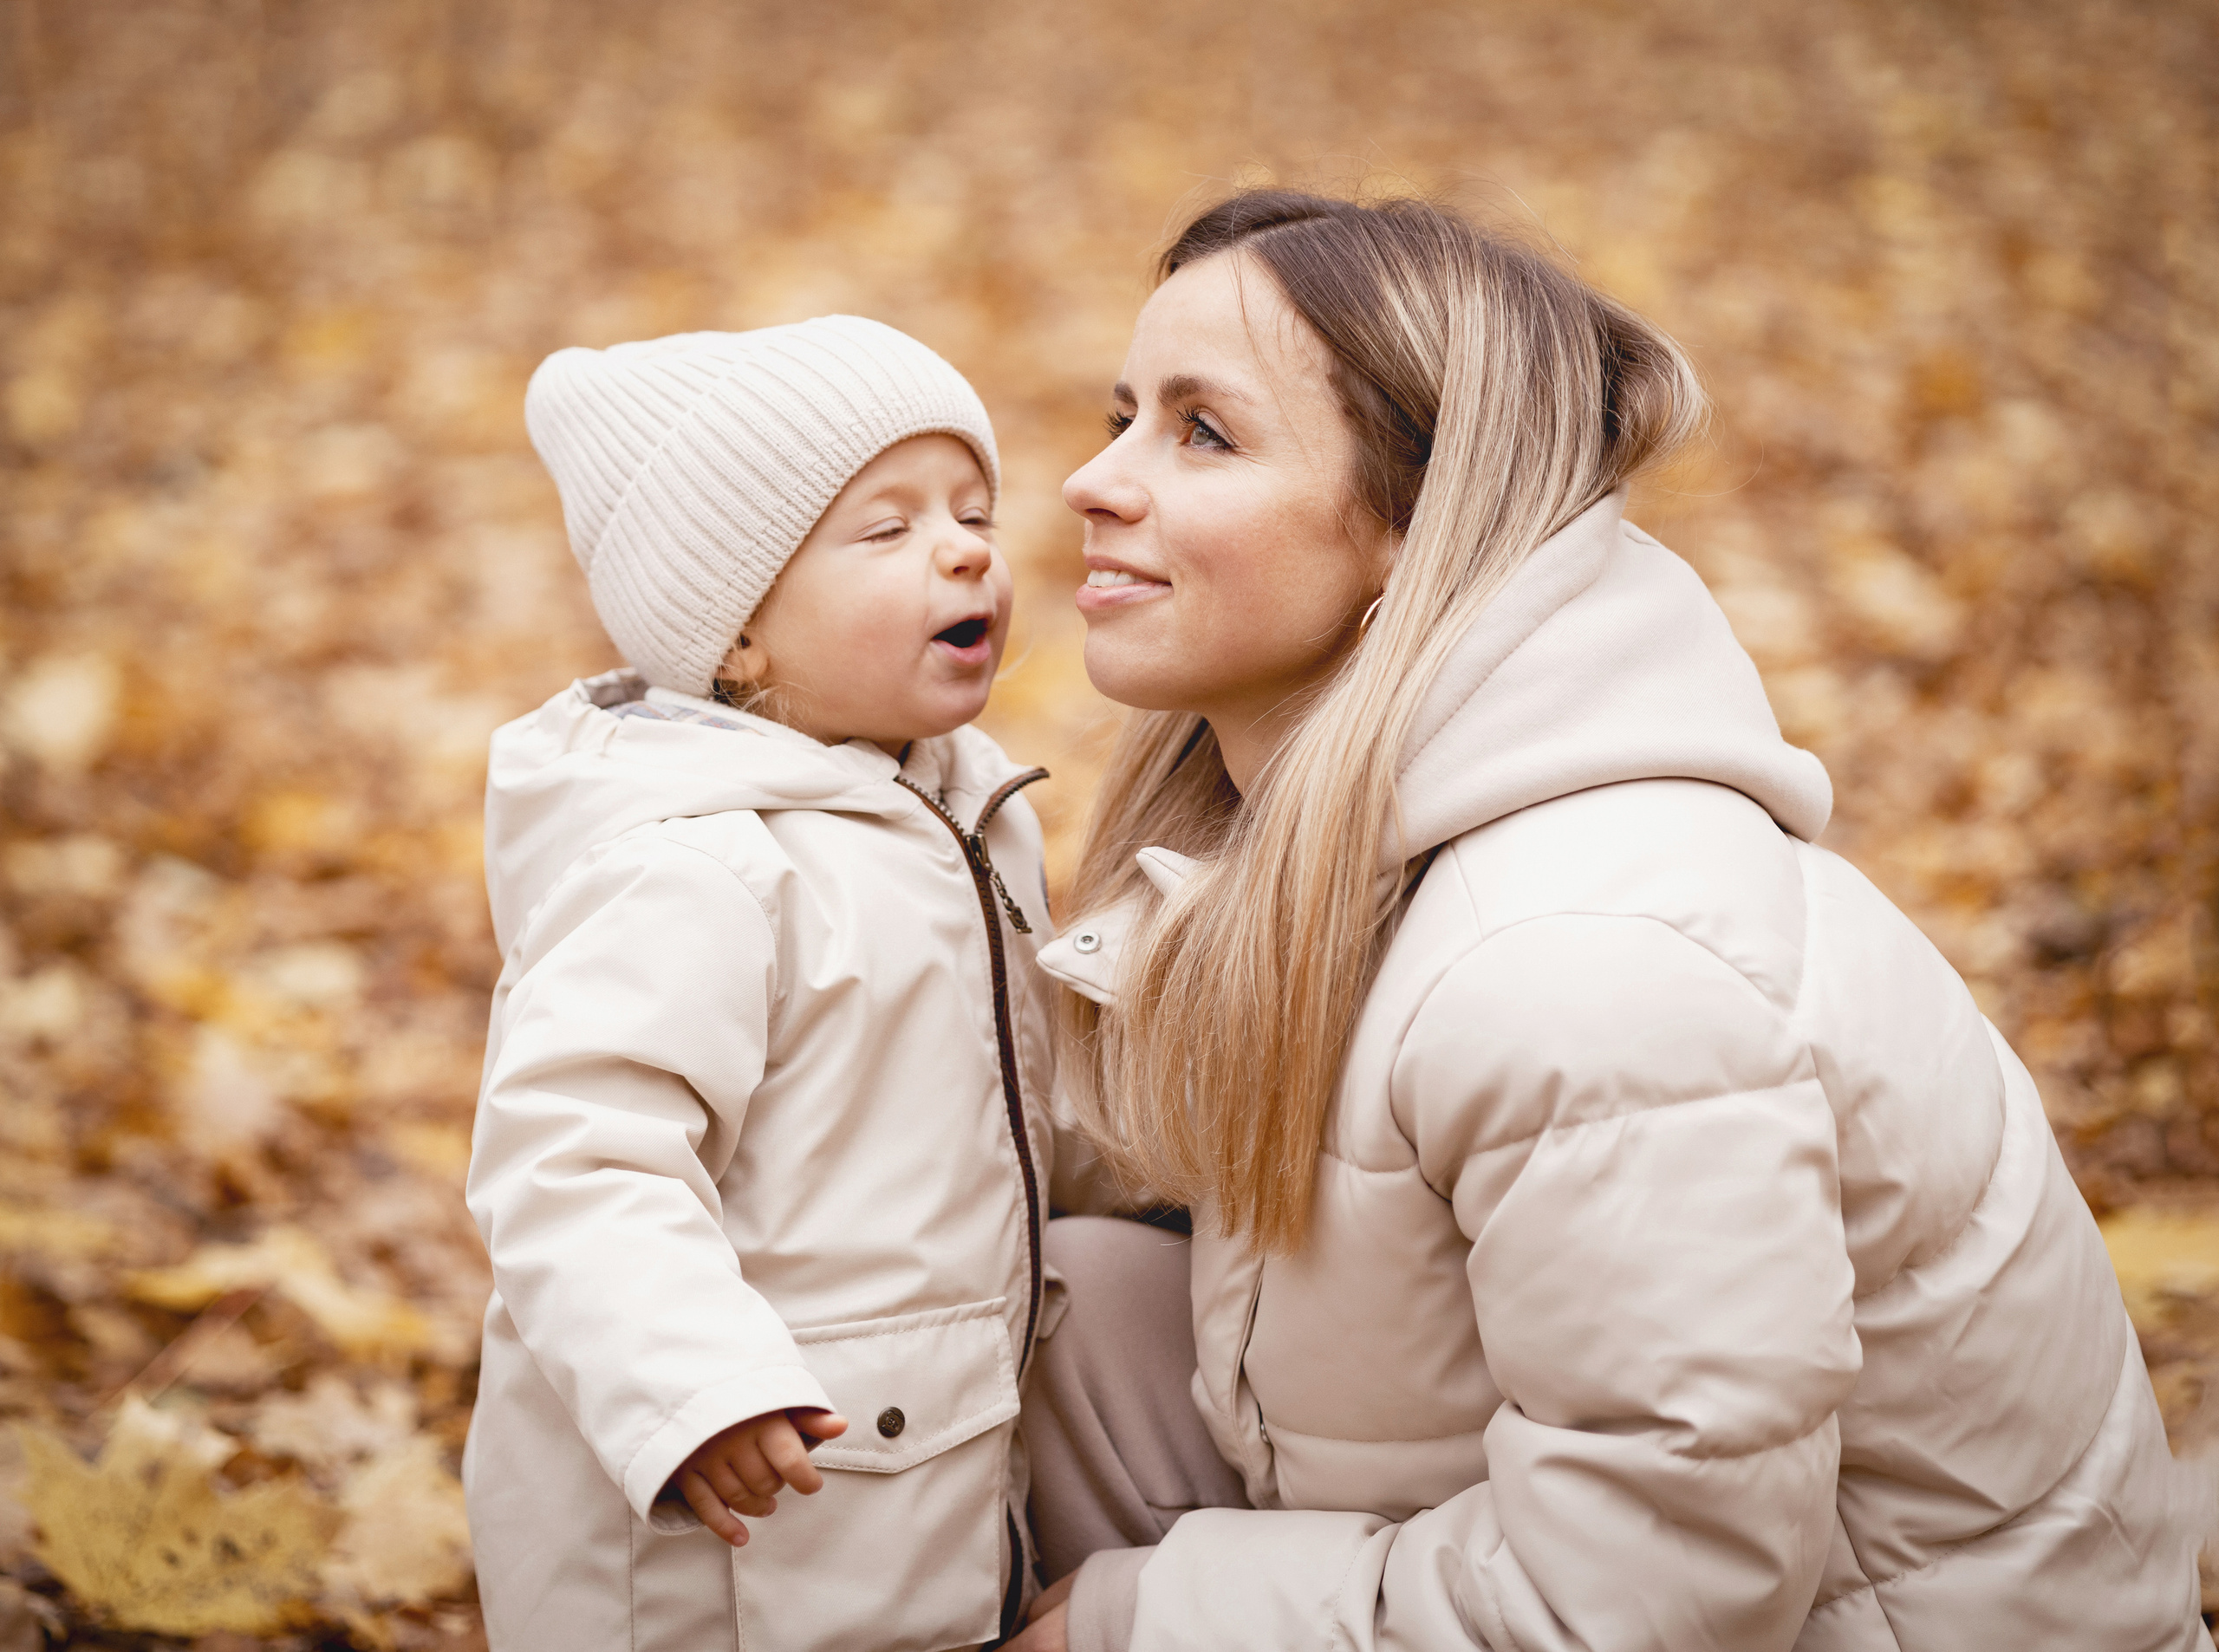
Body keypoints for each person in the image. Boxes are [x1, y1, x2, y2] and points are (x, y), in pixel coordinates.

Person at [1012, 192, 2203, 1651]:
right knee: (1053, 1315)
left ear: (1413, 523)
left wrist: (1143, 1621)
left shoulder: (1580, 962)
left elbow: (1654, 1603)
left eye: (1202, 433)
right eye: (1122, 413)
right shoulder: (1325, 859)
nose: (1091, 479)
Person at [462, 317, 1058, 1652]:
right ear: (738, 641)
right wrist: (695, 1388)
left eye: (972, 511)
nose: (963, 548)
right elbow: (575, 1155)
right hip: (710, 1542)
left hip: (915, 1473)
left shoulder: (972, 811)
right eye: (886, 529)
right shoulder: (698, 867)